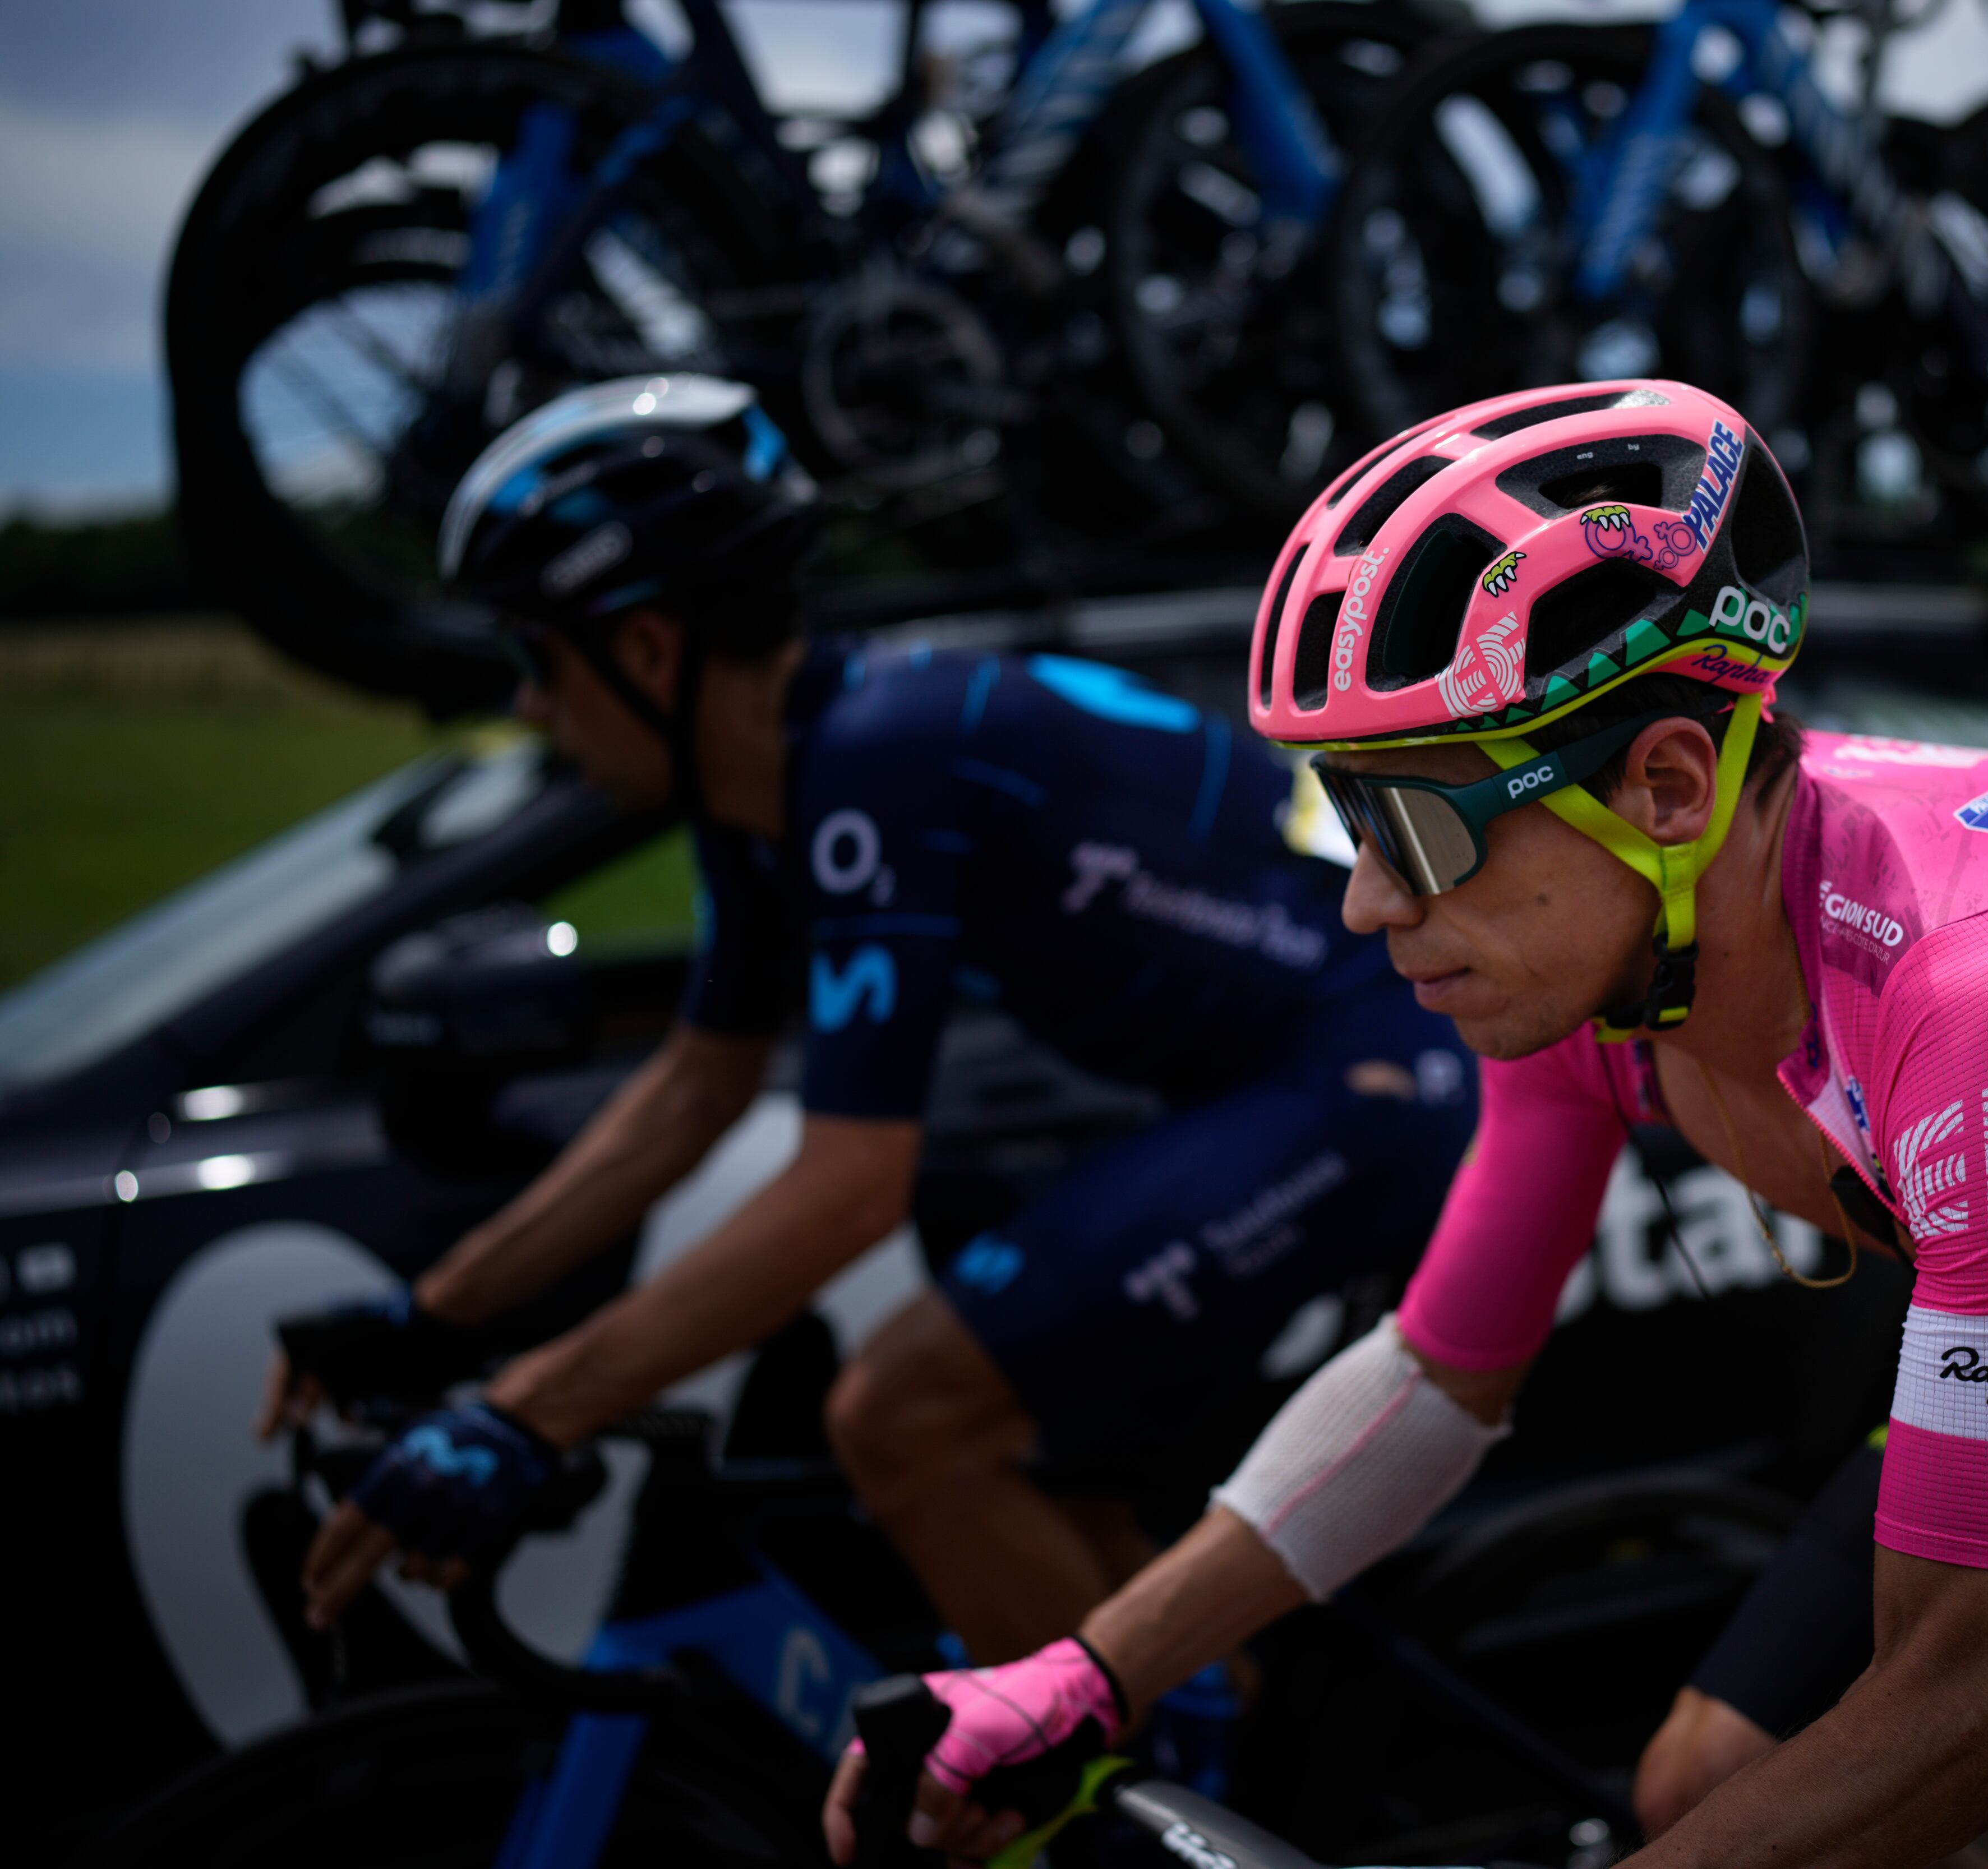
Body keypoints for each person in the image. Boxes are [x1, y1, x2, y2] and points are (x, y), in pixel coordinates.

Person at [822, 378, 1988, 1868]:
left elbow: (1973, 1718)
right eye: (1337, 819)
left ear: (1668, 785)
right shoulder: (1608, 953)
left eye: (1417, 831)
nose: (1367, 905)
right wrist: (1079, 1674)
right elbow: (1441, 1379)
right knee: (1702, 1792)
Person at [258, 375, 1476, 1669]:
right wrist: (435, 1319)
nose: (528, 708)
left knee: (903, 1418)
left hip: (1367, 1072)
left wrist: (523, 1412)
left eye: (536, 660)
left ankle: (1097, 1805)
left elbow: (847, 1190)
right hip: (1274, 1075)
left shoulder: (873, 759)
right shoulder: (772, 785)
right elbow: (692, 1089)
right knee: (1040, 1493)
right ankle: (1198, 1769)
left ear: (651, 649)